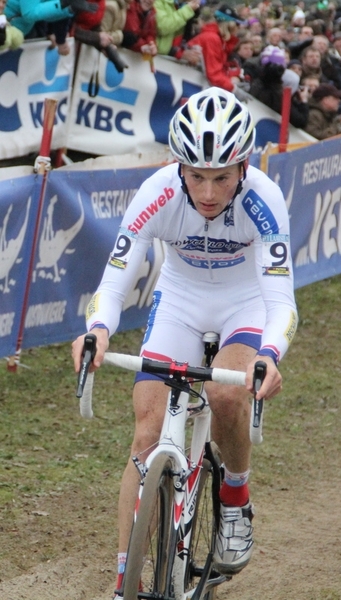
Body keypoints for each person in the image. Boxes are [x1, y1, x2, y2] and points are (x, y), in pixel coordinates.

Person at [72, 86, 298, 600]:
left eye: (221, 176)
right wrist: (99, 328)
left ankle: (235, 497)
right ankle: (124, 580)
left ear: (243, 165)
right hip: (180, 300)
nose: (209, 191)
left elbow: (281, 301)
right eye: (196, 175)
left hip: (246, 304)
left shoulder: (264, 200)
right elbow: (113, 281)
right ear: (179, 166)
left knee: (224, 393)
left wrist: (269, 354)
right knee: (146, 433)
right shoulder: (157, 191)